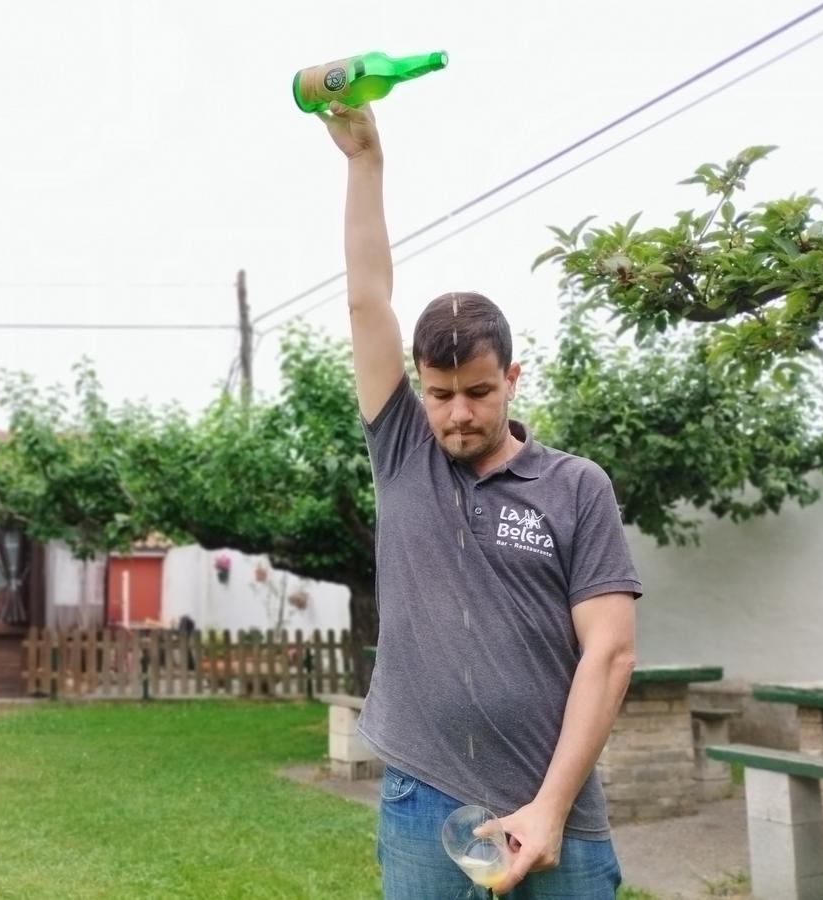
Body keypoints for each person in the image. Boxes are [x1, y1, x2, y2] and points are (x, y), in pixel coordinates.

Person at [316, 99, 641, 899]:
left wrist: (551, 809)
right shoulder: (402, 454)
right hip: (422, 800)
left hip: (555, 807)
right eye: (440, 394)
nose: (458, 413)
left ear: (513, 380)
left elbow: (610, 653)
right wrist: (365, 164)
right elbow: (366, 302)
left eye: (479, 391)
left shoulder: (576, 487)